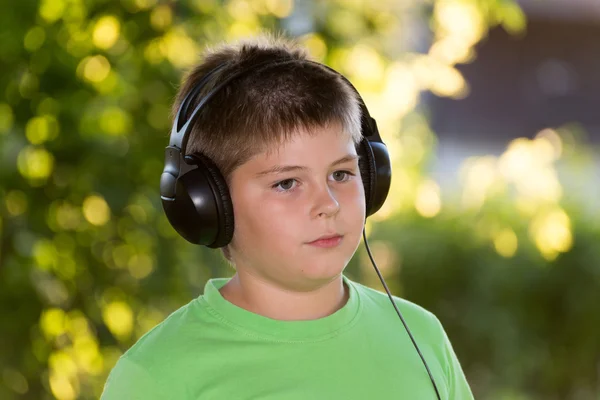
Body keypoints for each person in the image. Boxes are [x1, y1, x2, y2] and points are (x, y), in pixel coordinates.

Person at [101, 33, 474, 399]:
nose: (328, 203)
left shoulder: (420, 337)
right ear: (207, 205)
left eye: (341, 174)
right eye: (287, 183)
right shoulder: (158, 376)